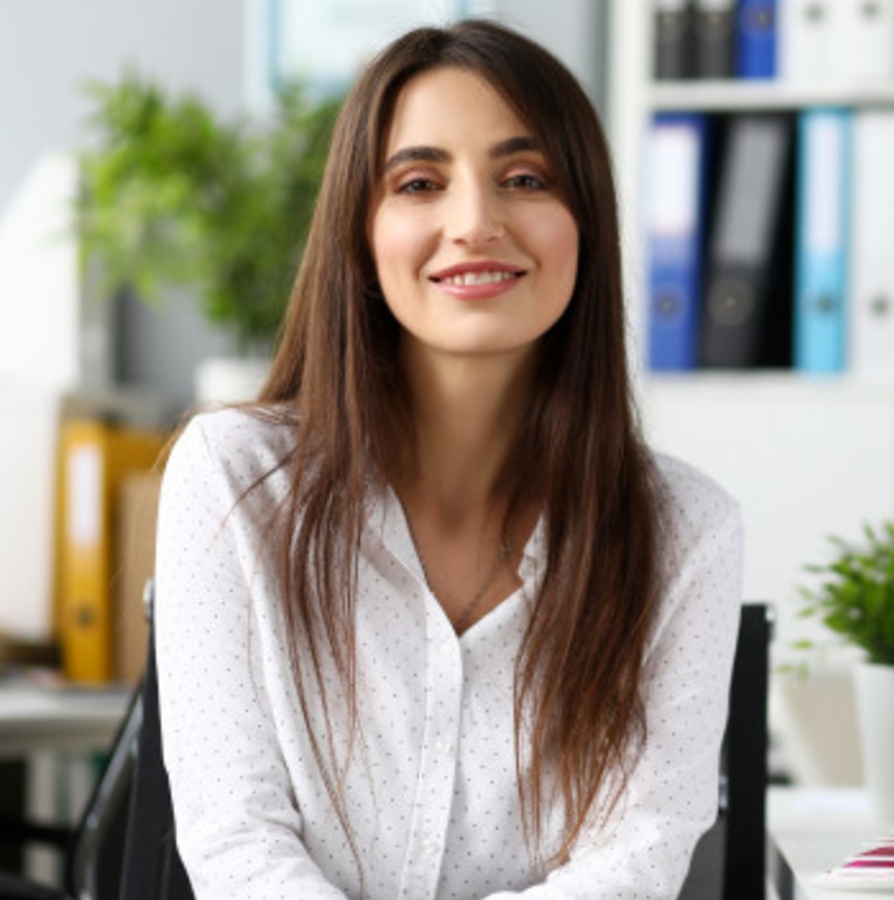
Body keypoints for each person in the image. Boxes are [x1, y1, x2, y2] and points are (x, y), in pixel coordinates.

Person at [153, 19, 743, 900]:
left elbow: (638, 857)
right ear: (361, 230)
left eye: (526, 178)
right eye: (420, 183)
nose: (475, 223)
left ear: (588, 223)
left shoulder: (684, 531)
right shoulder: (234, 477)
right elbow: (236, 842)